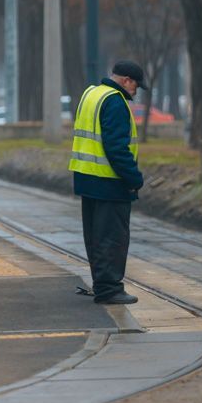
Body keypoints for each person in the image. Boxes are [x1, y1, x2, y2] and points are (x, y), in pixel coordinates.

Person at [68, 60, 146, 305]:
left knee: (95, 237)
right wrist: (134, 178)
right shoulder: (114, 101)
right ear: (127, 81)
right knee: (112, 238)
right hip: (110, 182)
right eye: (136, 87)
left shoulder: (92, 94)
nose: (135, 92)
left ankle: (102, 285)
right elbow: (116, 148)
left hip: (87, 178)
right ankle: (110, 289)